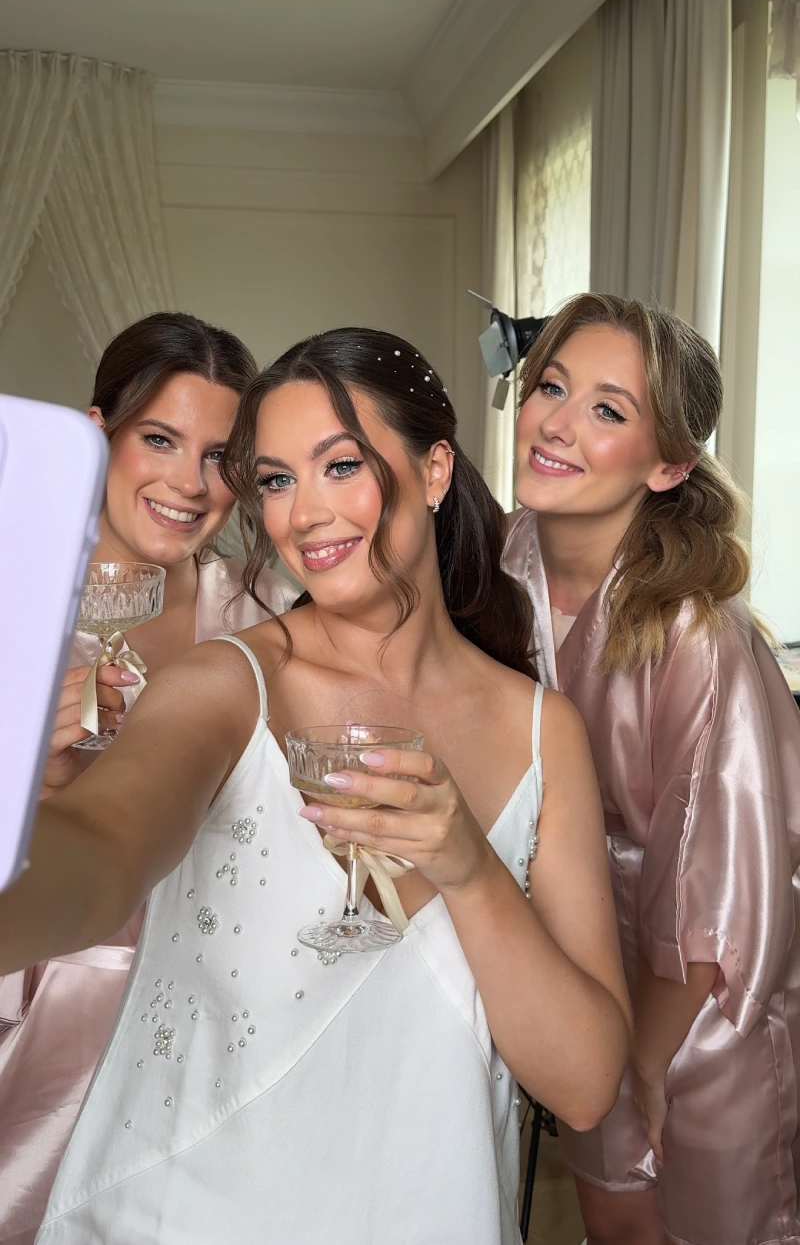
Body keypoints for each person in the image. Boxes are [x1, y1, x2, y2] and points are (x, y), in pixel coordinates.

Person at [0, 327, 629, 1245]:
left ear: (435, 469)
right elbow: (104, 848)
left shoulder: (545, 732)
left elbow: (585, 1084)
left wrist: (468, 866)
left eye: (340, 466)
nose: (302, 514)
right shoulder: (225, 683)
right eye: (276, 480)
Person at [504, 292, 800, 1245]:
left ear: (668, 464)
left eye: (607, 408)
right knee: (614, 1226)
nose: (557, 422)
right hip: (580, 971)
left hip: (703, 1005)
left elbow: (721, 891)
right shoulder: (496, 568)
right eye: (551, 386)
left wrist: (642, 1058)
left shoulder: (692, 632)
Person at [0, 312, 296, 1245]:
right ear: (97, 433)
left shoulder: (258, 609)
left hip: (196, 1006)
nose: (188, 483)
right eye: (159, 440)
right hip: (29, 987)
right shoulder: (13, 590)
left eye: (218, 457)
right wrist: (35, 779)